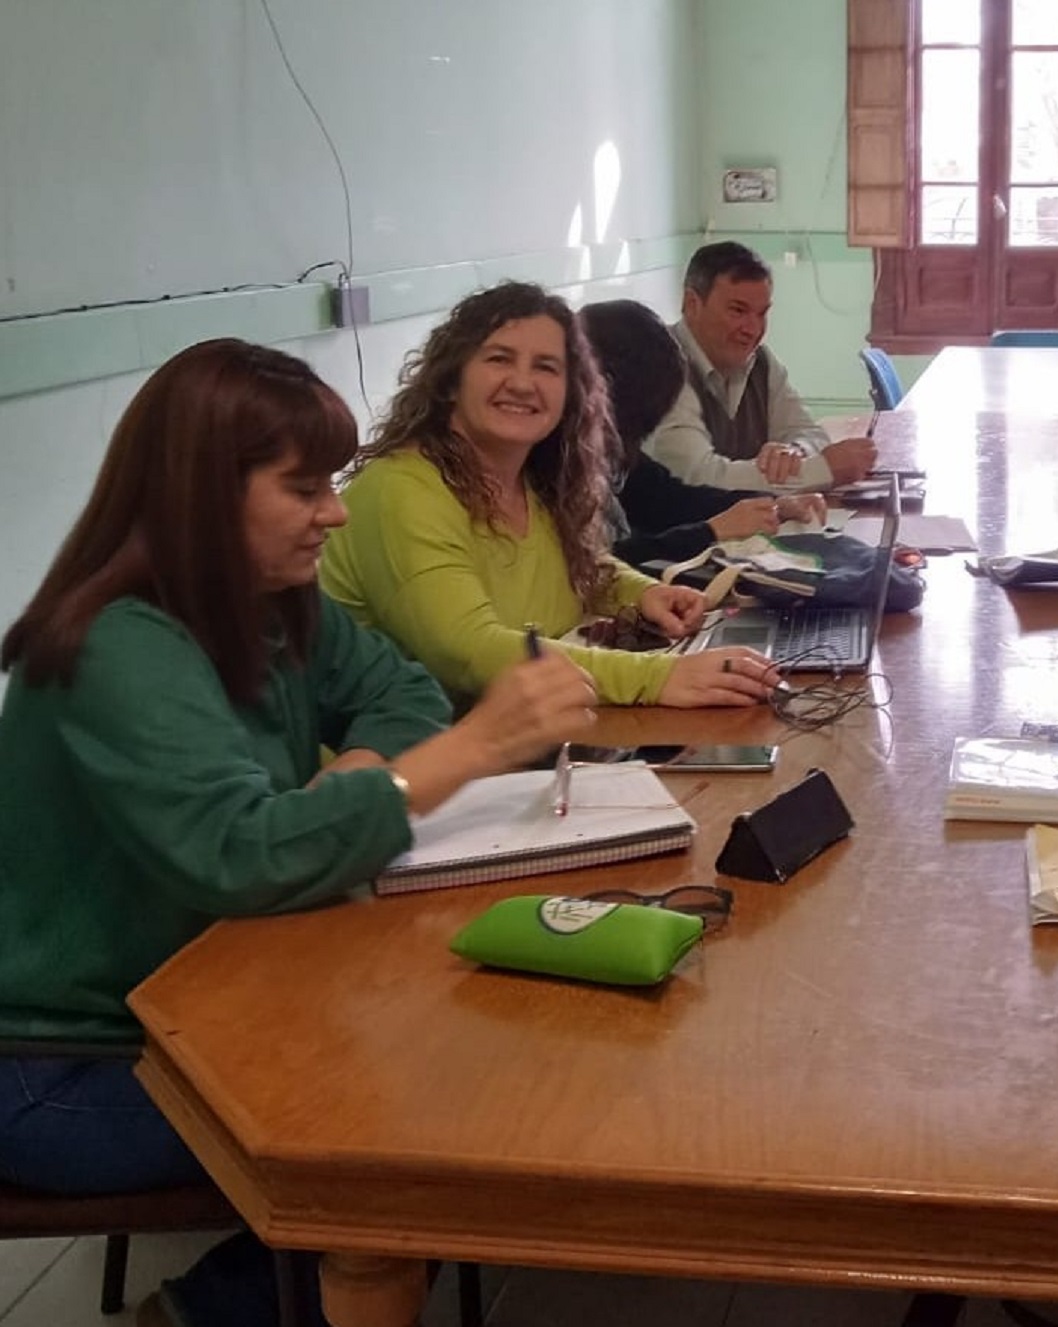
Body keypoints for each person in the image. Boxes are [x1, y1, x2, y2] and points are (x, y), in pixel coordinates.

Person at [0, 339, 599, 1327]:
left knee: (468, 1062)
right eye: (304, 485)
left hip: (201, 1000)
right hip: (67, 1064)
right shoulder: (116, 643)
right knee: (416, 1136)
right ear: (202, 492)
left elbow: (397, 689)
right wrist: (464, 752)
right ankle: (220, 1310)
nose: (336, 509)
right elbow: (246, 853)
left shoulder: (269, 604)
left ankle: (243, 1298)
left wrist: (365, 778)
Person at [320, 282, 779, 708]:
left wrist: (643, 595)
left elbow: (583, 567)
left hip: (515, 750)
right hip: (403, 776)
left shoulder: (536, 479)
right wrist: (660, 677)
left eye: (546, 367)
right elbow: (472, 653)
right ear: (451, 378)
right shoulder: (402, 489)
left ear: (570, 392)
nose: (522, 383)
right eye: (499, 359)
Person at [579, 298, 826, 568]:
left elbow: (668, 497)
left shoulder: (612, 449)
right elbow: (601, 562)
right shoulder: (561, 468)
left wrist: (773, 505)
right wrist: (711, 531)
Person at [642, 241, 879, 492]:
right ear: (692, 304)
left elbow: (807, 431)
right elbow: (698, 477)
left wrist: (794, 453)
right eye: (738, 311)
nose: (753, 329)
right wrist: (822, 470)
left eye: (761, 313)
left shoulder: (760, 362)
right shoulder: (661, 365)